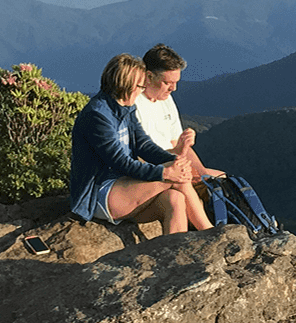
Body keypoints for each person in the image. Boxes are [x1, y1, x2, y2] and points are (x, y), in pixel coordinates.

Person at [67, 53, 211, 235]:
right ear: (125, 85)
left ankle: (174, 258)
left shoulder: (127, 107)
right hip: (100, 192)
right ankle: (210, 233)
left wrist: (172, 161)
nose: (142, 91)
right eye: (140, 86)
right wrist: (165, 172)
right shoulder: (97, 116)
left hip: (126, 185)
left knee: (175, 199)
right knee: (175, 179)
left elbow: (144, 145)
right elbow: (120, 162)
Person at [135, 44, 223, 182]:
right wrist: (177, 153)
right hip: (157, 170)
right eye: (167, 82)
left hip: (176, 162)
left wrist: (204, 175)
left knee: (223, 180)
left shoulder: (166, 99)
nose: (173, 88)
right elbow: (139, 156)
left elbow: (178, 145)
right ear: (149, 76)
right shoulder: (134, 104)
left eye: (176, 82)